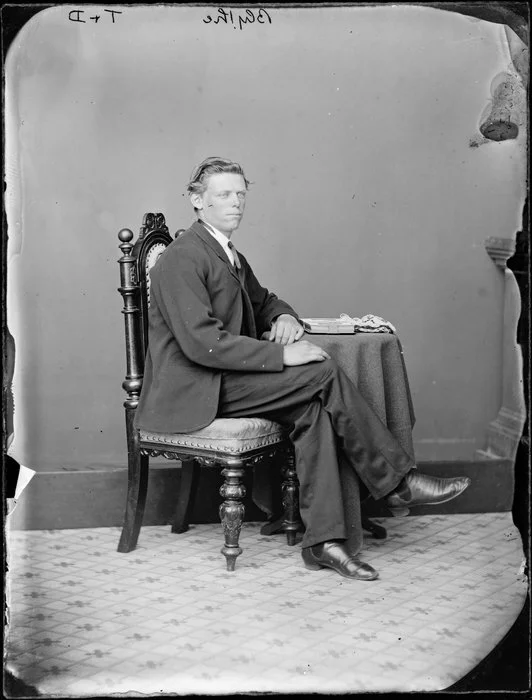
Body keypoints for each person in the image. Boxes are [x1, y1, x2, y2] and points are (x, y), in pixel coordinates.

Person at [135, 156, 470, 581]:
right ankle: (397, 481)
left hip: (221, 380)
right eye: (224, 194)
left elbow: (265, 300)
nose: (236, 203)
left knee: (314, 411)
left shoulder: (225, 251)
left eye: (241, 194)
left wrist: (284, 317)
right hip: (194, 388)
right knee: (322, 373)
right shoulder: (183, 258)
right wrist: (282, 356)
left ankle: (326, 544)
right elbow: (203, 345)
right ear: (197, 200)